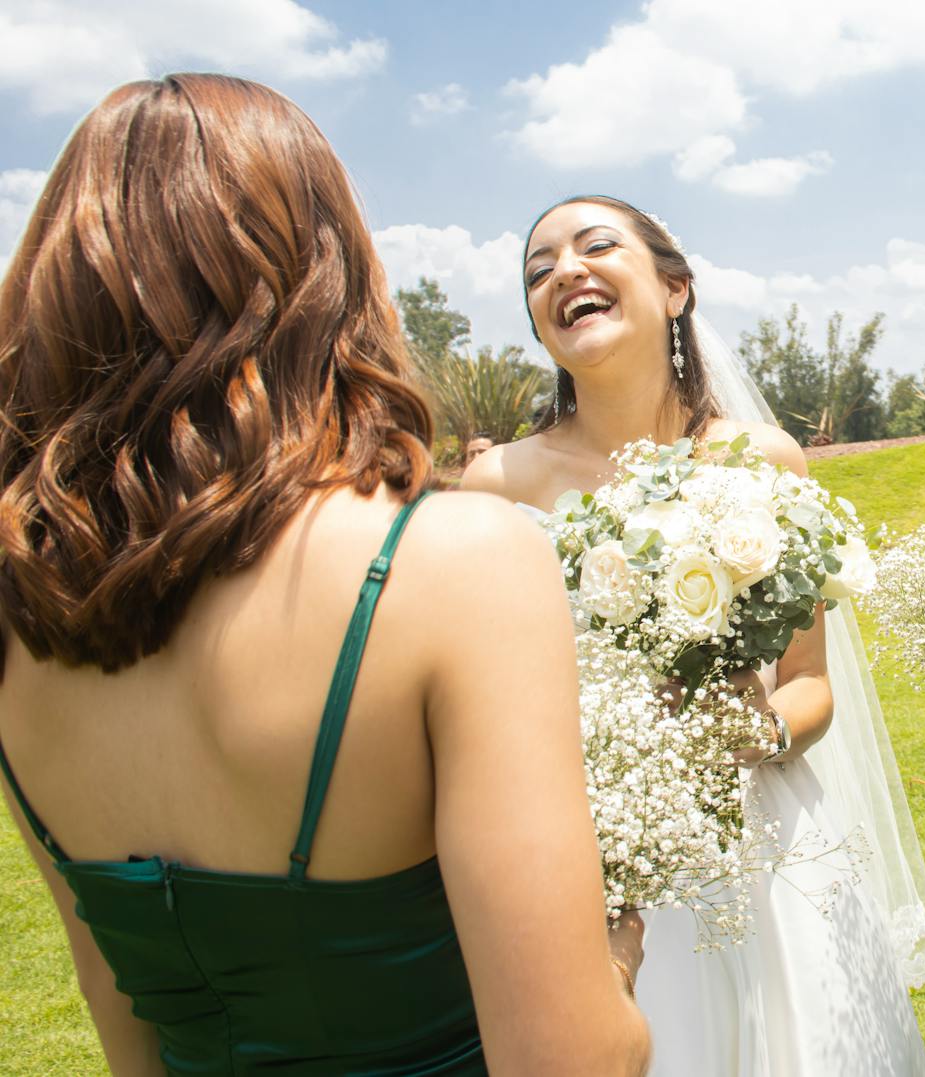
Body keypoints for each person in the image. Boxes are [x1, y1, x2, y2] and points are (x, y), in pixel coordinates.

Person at [0, 75, 649, 1076]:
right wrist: (612, 968)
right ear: (326, 268)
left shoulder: (21, 618)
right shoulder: (457, 562)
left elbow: (121, 1025)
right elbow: (571, 1061)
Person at [463, 195, 925, 1076]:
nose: (563, 271)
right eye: (539, 271)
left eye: (596, 246)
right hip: (589, 854)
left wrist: (756, 732)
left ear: (675, 289)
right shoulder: (494, 485)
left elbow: (810, 683)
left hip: (760, 846)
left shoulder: (762, 459)